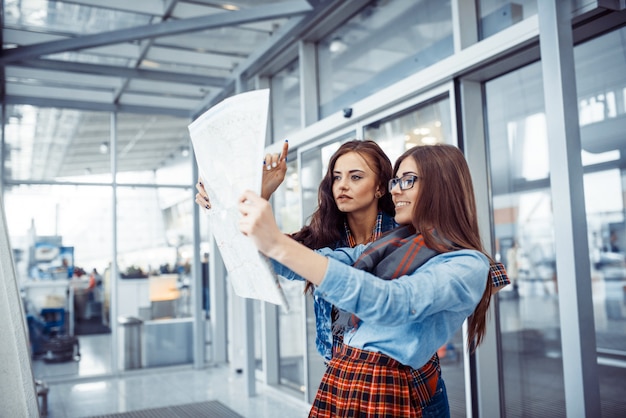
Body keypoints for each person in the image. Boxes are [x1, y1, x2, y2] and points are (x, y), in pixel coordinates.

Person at [237, 143, 509, 417]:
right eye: (337, 177)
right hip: (343, 375)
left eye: (408, 180)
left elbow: (395, 301)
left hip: (397, 384)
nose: (396, 189)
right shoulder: (393, 243)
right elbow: (301, 260)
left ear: (442, 187)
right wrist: (234, 208)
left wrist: (279, 245)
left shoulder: (460, 260)